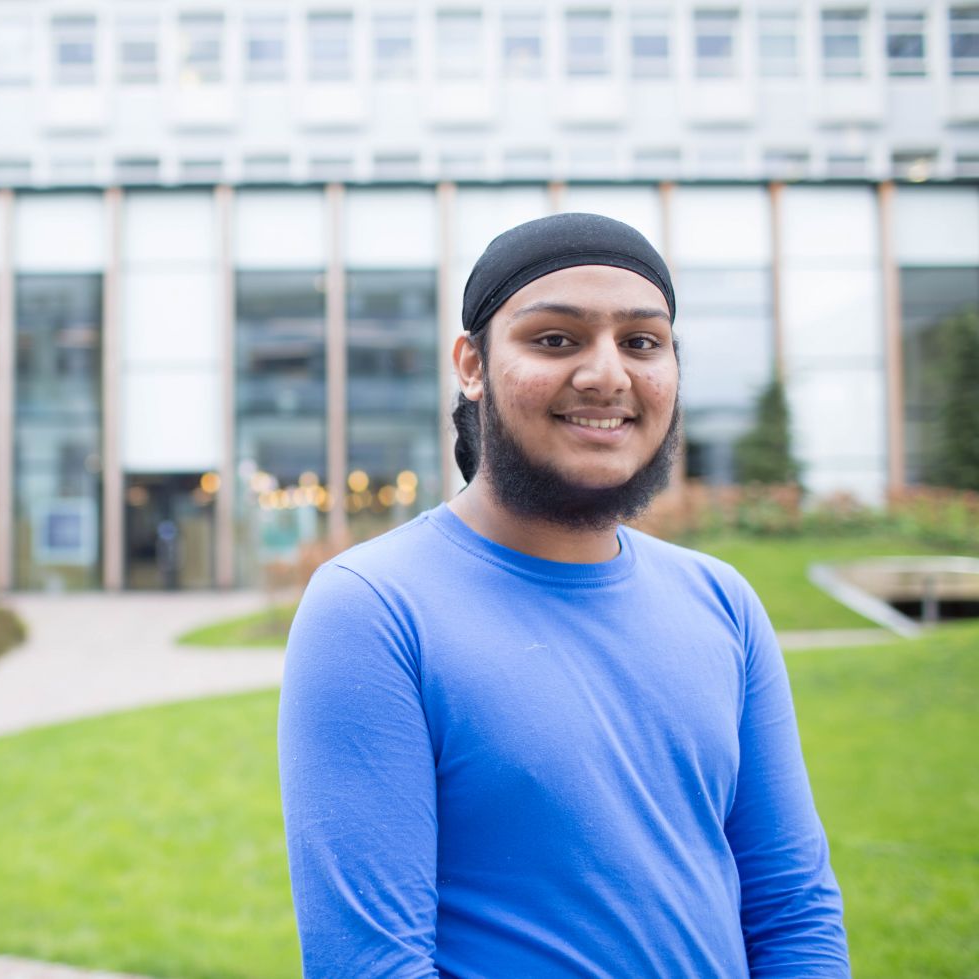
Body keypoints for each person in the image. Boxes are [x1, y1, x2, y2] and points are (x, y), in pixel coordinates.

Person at [277, 212, 849, 978]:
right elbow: (372, 965)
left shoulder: (723, 600)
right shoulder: (373, 608)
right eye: (555, 339)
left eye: (642, 342)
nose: (607, 374)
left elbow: (793, 909)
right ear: (472, 365)